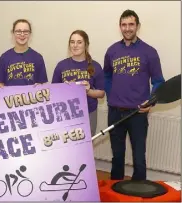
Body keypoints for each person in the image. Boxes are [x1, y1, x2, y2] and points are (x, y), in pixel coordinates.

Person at [103, 9, 165, 180]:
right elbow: (106, 75)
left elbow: (159, 81)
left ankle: (139, 193)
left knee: (139, 158)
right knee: (117, 157)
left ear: (138, 26)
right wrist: (111, 94)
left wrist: (150, 102)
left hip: (137, 113)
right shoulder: (112, 51)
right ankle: (114, 193)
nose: (127, 28)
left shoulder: (149, 52)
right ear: (120, 27)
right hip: (115, 112)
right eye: (124, 25)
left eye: (131, 24)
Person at [52, 30, 105, 136]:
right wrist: (63, 89)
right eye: (72, 42)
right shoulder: (61, 66)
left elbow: (102, 93)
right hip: (66, 114)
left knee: (87, 148)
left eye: (79, 42)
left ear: (86, 45)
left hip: (89, 113)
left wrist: (88, 91)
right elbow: (53, 92)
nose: (75, 45)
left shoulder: (95, 66)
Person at [0, 19, 48, 87]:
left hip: (31, 97)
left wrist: (40, 86)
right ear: (13, 33)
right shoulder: (4, 57)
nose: (22, 34)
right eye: (18, 31)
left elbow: (42, 84)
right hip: (10, 97)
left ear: (30, 34)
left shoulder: (38, 58)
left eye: (25, 31)